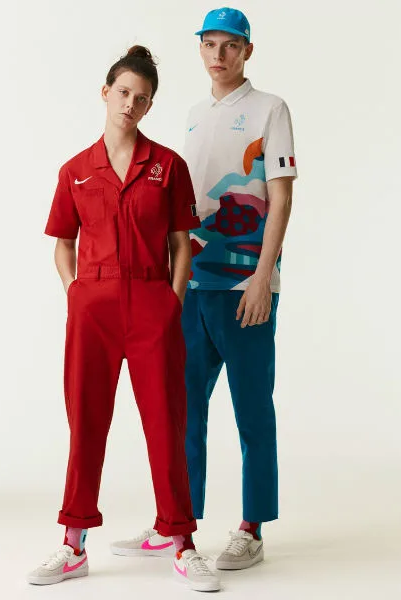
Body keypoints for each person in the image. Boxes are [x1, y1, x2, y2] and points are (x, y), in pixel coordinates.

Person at [27, 45, 220, 592]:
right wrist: (76, 293)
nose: (131, 103)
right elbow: (62, 244)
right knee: (86, 422)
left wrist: (171, 302)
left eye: (142, 97)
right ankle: (73, 544)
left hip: (152, 303)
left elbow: (181, 245)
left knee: (167, 423)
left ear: (150, 106)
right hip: (93, 308)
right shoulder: (75, 171)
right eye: (124, 92)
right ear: (106, 93)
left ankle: (181, 543)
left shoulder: (168, 166)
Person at [111, 8, 297, 571]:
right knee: (183, 410)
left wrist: (262, 276)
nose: (219, 55)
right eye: (209, 44)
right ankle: (177, 522)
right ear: (200, 49)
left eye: (230, 45)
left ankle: (252, 527)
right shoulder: (194, 115)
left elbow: (281, 197)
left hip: (245, 289)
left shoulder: (270, 108)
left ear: (247, 51)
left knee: (252, 411)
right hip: (193, 285)